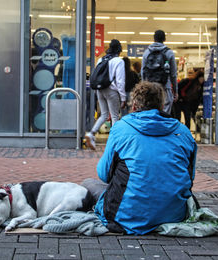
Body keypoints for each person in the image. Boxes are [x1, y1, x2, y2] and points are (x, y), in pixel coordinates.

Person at [82, 81, 197, 235]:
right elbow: (190, 176)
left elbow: (104, 174)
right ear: (162, 106)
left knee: (88, 183)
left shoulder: (121, 128)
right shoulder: (183, 131)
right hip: (174, 214)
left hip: (128, 216)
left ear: (134, 105)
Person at [85, 39, 126, 150]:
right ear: (119, 50)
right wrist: (123, 98)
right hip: (111, 91)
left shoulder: (101, 60)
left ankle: (91, 133)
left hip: (100, 90)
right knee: (114, 116)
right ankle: (115, 143)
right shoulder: (118, 61)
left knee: (104, 114)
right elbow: (120, 81)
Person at [141, 30, 178, 114]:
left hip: (150, 88)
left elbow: (143, 72)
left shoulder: (146, 53)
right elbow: (173, 74)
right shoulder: (169, 53)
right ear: (164, 39)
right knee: (164, 114)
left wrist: (144, 88)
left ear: (154, 39)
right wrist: (175, 91)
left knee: (151, 112)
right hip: (165, 87)